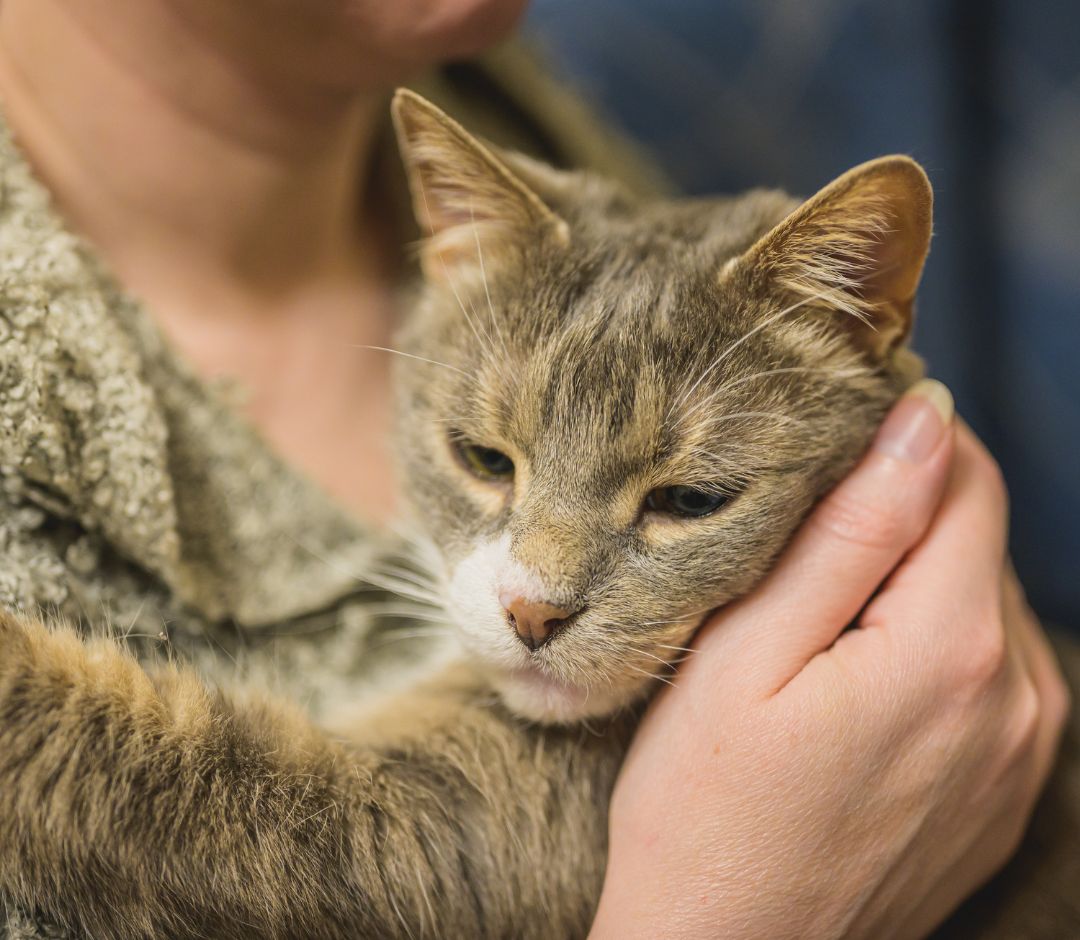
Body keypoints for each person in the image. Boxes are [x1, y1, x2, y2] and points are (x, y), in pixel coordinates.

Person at [0, 1, 1069, 937]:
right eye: (485, 457)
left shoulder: (507, 99)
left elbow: (335, 861)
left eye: (687, 498)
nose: (538, 595)